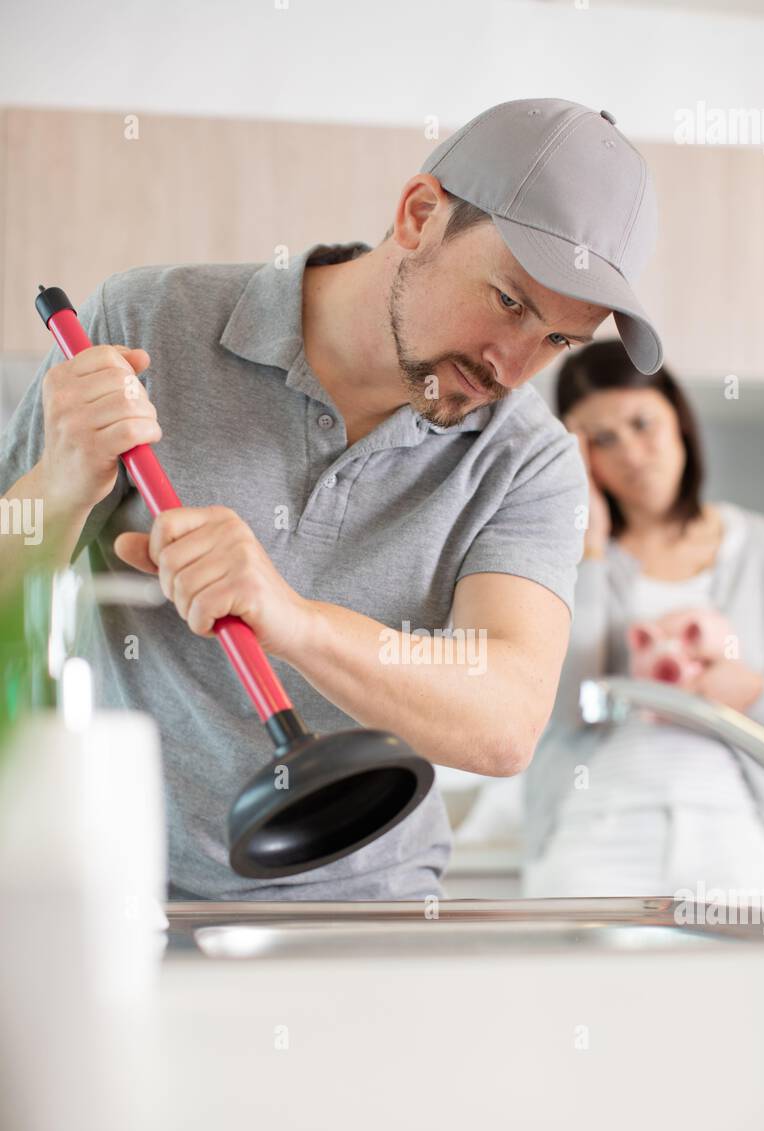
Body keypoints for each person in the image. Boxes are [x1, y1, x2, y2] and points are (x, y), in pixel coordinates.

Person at [0, 98, 663, 902]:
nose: (511, 368)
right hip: (123, 892)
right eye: (510, 302)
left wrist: (297, 622)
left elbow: (504, 721)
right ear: (419, 215)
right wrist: (62, 481)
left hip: (370, 909)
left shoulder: (529, 461)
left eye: (558, 340)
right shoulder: (144, 324)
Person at [523, 340, 764, 900]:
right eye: (602, 440)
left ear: (679, 419)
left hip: (728, 831)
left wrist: (749, 692)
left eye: (642, 423)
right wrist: (590, 544)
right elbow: (566, 709)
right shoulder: (569, 559)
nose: (631, 454)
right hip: (595, 827)